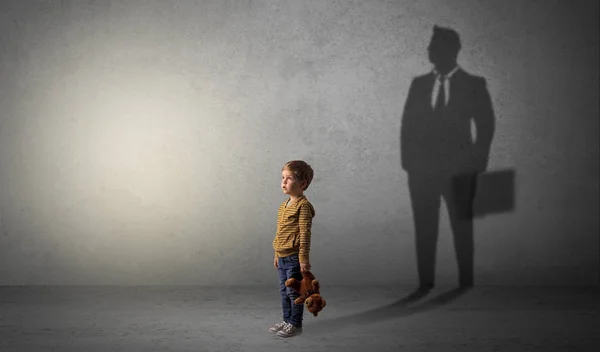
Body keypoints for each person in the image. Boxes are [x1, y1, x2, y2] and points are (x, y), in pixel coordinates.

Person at [401, 25, 495, 289]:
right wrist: (409, 165)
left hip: (460, 171)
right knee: (425, 228)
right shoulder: (419, 84)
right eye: (430, 46)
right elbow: (407, 125)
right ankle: (425, 283)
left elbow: (486, 125)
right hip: (421, 173)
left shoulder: (474, 84)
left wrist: (477, 164)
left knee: (462, 227)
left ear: (452, 50)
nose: (430, 50)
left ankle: (466, 281)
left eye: (435, 46)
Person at [269, 160, 316, 338]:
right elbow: (280, 232)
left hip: (294, 258)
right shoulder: (283, 206)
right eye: (282, 178)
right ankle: (286, 319)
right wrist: (276, 253)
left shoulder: (303, 207)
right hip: (282, 257)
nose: (283, 182)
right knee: (283, 291)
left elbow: (305, 234)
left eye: (288, 178)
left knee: (294, 291)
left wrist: (303, 259)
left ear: (302, 184)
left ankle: (295, 324)